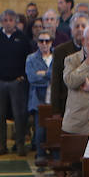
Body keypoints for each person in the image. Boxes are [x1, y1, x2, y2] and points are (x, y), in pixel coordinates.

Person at [0, 10, 31, 156]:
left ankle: (20, 145)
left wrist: (23, 76)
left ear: (15, 21)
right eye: (5, 20)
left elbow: (28, 58)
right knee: (1, 115)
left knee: (19, 115)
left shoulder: (22, 38)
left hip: (16, 82)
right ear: (1, 22)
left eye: (11, 20)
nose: (8, 23)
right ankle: (2, 144)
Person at [25, 30, 54, 163]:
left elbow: (59, 77)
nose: (44, 44)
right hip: (38, 98)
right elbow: (32, 78)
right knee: (40, 128)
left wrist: (44, 74)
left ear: (51, 42)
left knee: (54, 127)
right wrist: (49, 76)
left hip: (54, 97)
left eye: (47, 41)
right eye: (41, 41)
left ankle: (54, 154)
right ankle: (40, 154)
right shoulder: (31, 58)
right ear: (37, 43)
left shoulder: (56, 57)